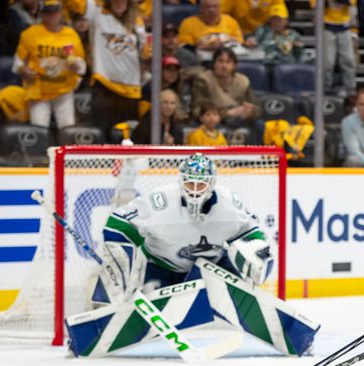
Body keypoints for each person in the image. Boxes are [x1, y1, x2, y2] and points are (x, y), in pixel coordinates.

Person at [97, 153, 271, 304]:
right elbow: (118, 222)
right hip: (161, 266)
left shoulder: (229, 205)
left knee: (243, 293)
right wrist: (122, 259)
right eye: (190, 183)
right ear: (181, 181)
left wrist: (256, 255)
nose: (194, 192)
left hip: (210, 268)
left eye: (201, 184)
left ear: (212, 184)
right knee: (148, 300)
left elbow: (252, 233)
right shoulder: (159, 201)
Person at [69, 0, 148, 135]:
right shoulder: (97, 12)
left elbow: (143, 51)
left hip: (131, 88)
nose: (118, 3)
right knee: (102, 135)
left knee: (127, 137)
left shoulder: (137, 21)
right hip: (104, 85)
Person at [13, 0, 87, 129]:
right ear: (42, 13)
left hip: (64, 91)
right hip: (39, 92)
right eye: (48, 12)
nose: (52, 15)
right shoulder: (30, 34)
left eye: (55, 11)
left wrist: (77, 66)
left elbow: (82, 66)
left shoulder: (71, 34)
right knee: (39, 130)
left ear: (61, 13)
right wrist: (23, 70)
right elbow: (17, 64)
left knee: (67, 130)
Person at [190, 47, 262, 128]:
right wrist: (227, 113)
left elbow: (257, 108)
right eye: (220, 61)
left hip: (239, 118)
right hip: (215, 121)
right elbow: (197, 111)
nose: (224, 66)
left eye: (228, 62)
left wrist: (250, 111)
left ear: (234, 65)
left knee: (260, 125)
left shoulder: (243, 81)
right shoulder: (203, 80)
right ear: (214, 64)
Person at [309, 0, 358, 98]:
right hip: (326, 25)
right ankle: (325, 87)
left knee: (348, 60)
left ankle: (350, 88)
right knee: (327, 62)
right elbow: (315, 5)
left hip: (345, 25)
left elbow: (351, 3)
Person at [178, 0, 243, 57]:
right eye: (208, 7)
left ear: (219, 8)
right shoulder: (188, 23)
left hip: (228, 56)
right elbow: (184, 46)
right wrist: (207, 47)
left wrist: (225, 42)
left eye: (214, 6)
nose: (211, 10)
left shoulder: (230, 21)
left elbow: (239, 40)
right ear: (201, 8)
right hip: (200, 58)